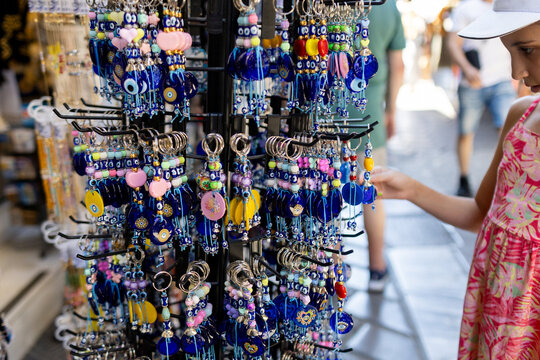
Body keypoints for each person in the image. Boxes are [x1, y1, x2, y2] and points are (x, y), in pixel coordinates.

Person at [370, 0, 540, 356]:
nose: (517, 71)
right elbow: (482, 214)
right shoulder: (520, 118)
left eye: (527, 50)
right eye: (510, 51)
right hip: (494, 312)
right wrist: (411, 188)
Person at [348, 0, 405, 293]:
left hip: (323, 110)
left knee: (320, 188)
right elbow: (397, 66)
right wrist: (391, 109)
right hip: (369, 114)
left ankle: (326, 268)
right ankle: (377, 266)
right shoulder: (388, 6)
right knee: (373, 191)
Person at [446, 0, 516, 197]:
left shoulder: (506, 6)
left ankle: (506, 178)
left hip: (502, 80)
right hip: (472, 82)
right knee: (466, 132)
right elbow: (453, 43)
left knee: (507, 132)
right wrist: (466, 69)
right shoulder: (465, 8)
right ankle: (464, 178)